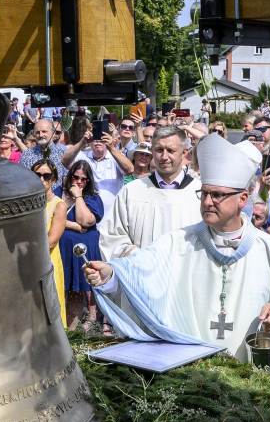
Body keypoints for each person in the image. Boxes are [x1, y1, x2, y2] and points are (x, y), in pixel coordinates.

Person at [84, 134, 270, 366]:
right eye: (204, 193)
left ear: (243, 198)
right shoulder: (180, 241)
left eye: (218, 195)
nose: (207, 202)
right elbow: (139, 270)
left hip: (245, 372)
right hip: (190, 372)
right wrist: (111, 275)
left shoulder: (267, 248)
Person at [96, 124, 201, 257]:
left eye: (171, 150)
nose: (164, 157)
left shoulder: (200, 193)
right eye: (159, 150)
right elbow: (112, 238)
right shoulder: (132, 191)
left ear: (184, 152)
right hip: (141, 268)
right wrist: (141, 258)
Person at [59, 159, 106, 332]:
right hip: (63, 248)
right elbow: (49, 217)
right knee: (65, 286)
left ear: (88, 180)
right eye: (75, 177)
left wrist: (78, 196)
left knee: (83, 286)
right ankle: (64, 326)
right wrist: (74, 226)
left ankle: (89, 320)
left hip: (84, 248)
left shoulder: (92, 197)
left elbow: (86, 221)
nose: (79, 181)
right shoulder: (59, 193)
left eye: (83, 179)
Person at [29, 158, 66, 325]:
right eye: (37, 175)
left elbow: (52, 240)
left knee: (49, 307)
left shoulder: (59, 205)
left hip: (47, 260)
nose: (41, 179)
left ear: (54, 179)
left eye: (46, 176)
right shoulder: (28, 203)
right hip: (27, 260)